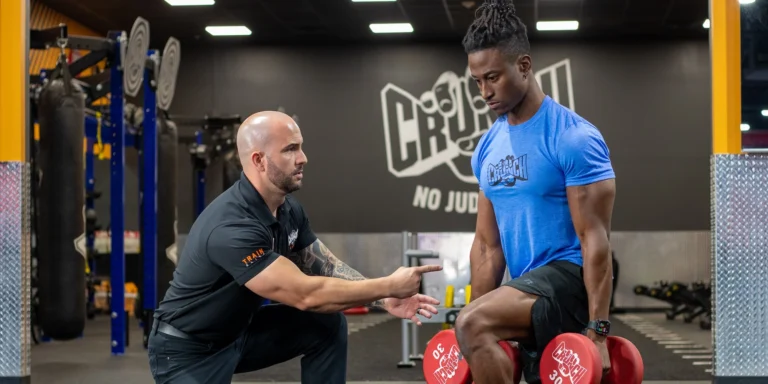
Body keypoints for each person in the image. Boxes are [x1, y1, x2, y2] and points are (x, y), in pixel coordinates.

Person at [146, 110, 442, 384]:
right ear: (259, 160)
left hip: (239, 333)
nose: (303, 158)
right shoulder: (231, 226)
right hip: (187, 351)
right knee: (318, 307)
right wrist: (388, 286)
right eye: (290, 149)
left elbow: (324, 266)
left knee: (326, 323)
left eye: (300, 146)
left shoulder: (288, 211)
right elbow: (307, 294)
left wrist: (383, 300)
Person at [453, 0, 617, 383]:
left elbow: (594, 238)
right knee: (483, 333)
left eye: (492, 77)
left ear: (524, 66)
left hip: (571, 279)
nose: (484, 91)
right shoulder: (487, 148)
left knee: (474, 323)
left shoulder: (573, 138)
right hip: (526, 287)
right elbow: (487, 246)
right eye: (477, 81)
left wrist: (599, 330)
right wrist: (474, 336)